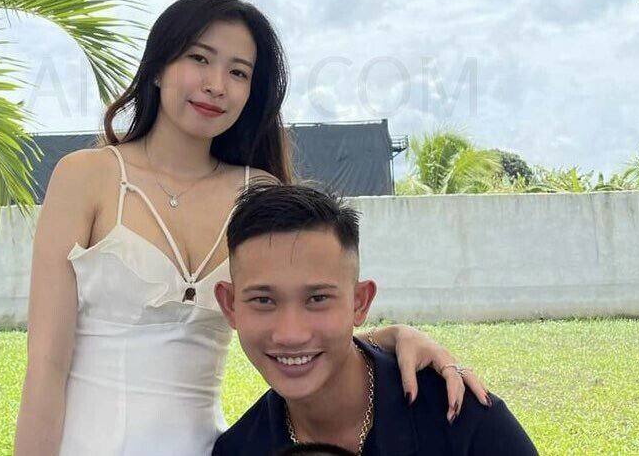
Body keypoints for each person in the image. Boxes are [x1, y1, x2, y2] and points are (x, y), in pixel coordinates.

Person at [14, 0, 490, 456]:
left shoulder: (259, 191)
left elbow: (295, 333)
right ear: (158, 67)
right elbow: (46, 368)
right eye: (199, 59)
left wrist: (396, 336)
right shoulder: (86, 177)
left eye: (238, 72)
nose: (216, 84)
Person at [213, 182, 539, 456]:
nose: (291, 334)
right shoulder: (239, 449)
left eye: (318, 299)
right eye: (263, 300)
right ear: (230, 306)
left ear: (360, 302)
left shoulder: (459, 416)